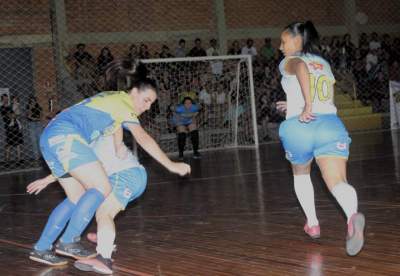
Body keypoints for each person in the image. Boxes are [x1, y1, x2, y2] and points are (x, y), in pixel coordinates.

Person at [29, 59, 191, 266]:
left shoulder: (110, 104)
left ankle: (41, 248)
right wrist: (171, 165)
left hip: (52, 139)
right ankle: (68, 241)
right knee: (101, 187)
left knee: (76, 198)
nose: (148, 107)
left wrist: (50, 177)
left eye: (151, 103)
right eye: (146, 100)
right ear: (133, 92)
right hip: (66, 136)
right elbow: (142, 137)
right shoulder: (123, 104)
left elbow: (94, 148)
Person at [276, 21, 365, 256]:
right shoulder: (324, 62)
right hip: (330, 124)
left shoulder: (290, 60)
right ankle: (352, 216)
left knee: (301, 172)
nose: (280, 47)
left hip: (301, 125)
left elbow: (302, 71)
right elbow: (324, 94)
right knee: (337, 182)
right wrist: (295, 103)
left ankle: (313, 223)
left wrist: (304, 105)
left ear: (297, 41)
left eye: (284, 41)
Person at [28, 134, 147, 274]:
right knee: (80, 201)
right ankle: (102, 242)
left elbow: (73, 165)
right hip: (119, 174)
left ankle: (104, 256)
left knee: (101, 211)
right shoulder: (89, 133)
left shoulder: (86, 135)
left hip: (124, 175)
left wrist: (47, 180)